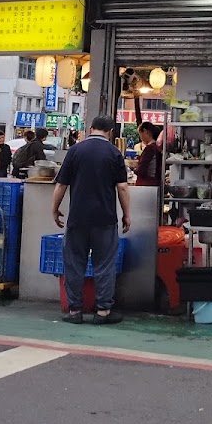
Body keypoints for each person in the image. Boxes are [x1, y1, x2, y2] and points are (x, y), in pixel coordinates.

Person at [53, 116, 131, 325]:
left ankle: (75, 311)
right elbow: (122, 187)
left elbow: (61, 185)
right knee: (104, 264)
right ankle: (103, 312)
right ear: (111, 132)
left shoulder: (75, 151)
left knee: (74, 262)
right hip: (105, 218)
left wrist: (54, 209)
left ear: (90, 128)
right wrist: (127, 214)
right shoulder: (114, 153)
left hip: (77, 218)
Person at [129, 121, 164, 187]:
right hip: (155, 183)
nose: (141, 138)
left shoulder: (150, 149)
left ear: (145, 131)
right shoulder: (157, 147)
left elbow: (141, 170)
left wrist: (133, 168)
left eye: (140, 134)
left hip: (146, 184)